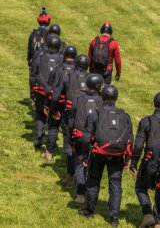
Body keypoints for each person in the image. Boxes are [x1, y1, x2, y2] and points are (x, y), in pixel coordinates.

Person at [79, 85, 133, 227]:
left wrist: (84, 156)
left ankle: (89, 210)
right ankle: (114, 217)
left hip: (98, 154)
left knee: (93, 179)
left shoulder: (95, 114)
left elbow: (85, 137)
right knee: (115, 184)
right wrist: (127, 159)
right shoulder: (125, 116)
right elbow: (130, 140)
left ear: (102, 97)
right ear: (116, 98)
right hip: (118, 155)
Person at [130, 92, 160, 228]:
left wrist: (133, 162)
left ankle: (148, 215)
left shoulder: (146, 121)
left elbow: (139, 145)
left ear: (154, 103)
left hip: (149, 162)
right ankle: (159, 219)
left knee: (140, 187)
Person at [69, 73, 104, 204]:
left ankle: (80, 194)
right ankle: (91, 193)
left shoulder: (78, 99)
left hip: (80, 137)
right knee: (93, 167)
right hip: (96, 140)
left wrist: (70, 139)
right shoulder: (102, 101)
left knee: (79, 165)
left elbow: (71, 121)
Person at [43, 45, 77, 164]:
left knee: (53, 127)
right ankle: (68, 159)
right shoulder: (77, 72)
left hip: (56, 102)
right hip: (70, 106)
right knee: (68, 132)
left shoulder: (57, 69)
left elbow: (49, 88)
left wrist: (47, 105)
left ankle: (49, 152)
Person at [30, 34, 61, 149]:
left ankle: (39, 135)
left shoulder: (40, 56)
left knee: (39, 113)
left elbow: (33, 75)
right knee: (54, 118)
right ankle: (51, 143)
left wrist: (32, 92)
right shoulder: (61, 59)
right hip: (54, 93)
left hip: (41, 91)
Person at [27, 7, 51, 74]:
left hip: (33, 63)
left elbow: (29, 50)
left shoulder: (33, 34)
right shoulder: (49, 34)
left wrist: (29, 61)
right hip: (45, 64)